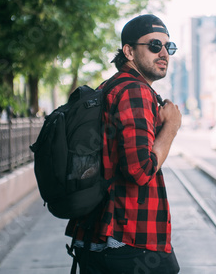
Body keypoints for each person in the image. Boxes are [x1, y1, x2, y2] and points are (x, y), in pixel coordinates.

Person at [65, 14, 182, 274]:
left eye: (168, 47)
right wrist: (171, 129)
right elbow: (139, 170)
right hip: (129, 241)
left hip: (96, 234)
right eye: (154, 45)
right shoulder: (135, 91)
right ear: (128, 51)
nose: (163, 53)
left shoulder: (109, 87)